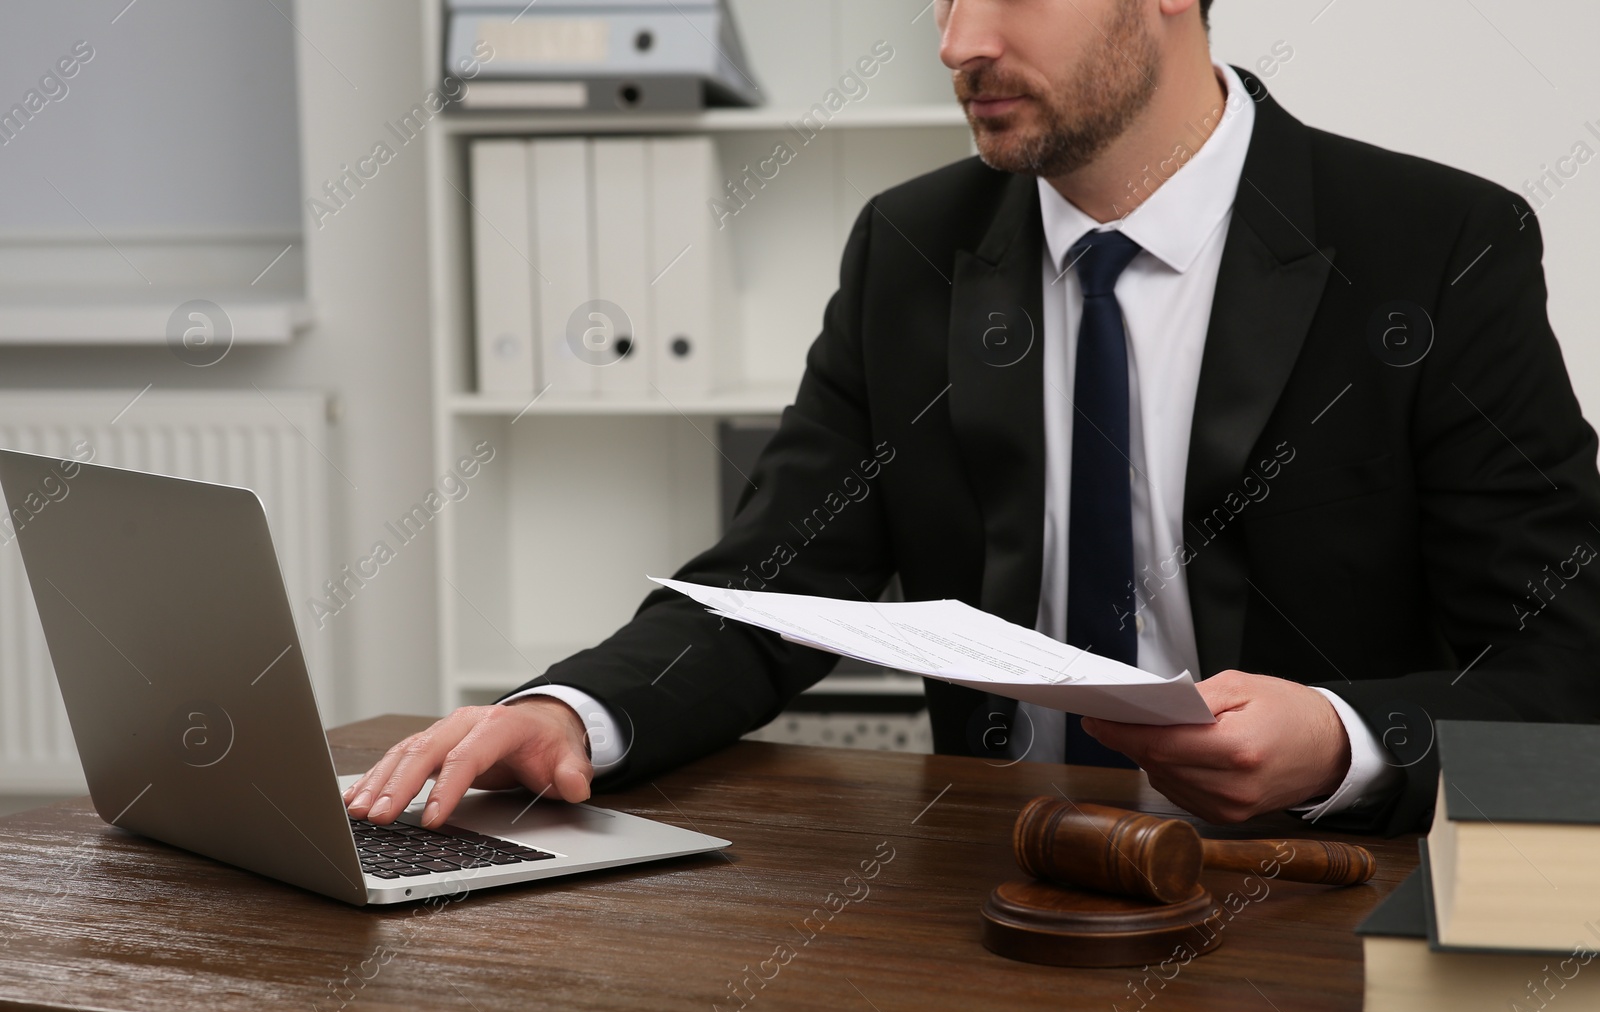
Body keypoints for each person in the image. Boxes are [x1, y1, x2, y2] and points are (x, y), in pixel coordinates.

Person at [346, 0, 1600, 837]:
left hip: (1317, 892)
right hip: (999, 881)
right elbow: (774, 577)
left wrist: (1339, 740)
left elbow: (1564, 658)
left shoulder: (1436, 247)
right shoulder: (911, 245)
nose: (957, 39)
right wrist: (567, 712)